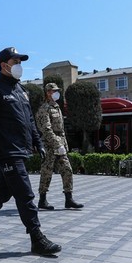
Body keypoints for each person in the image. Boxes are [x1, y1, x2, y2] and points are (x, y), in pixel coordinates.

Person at [0, 47, 62, 256]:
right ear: (4, 66)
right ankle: (37, 238)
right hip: (7, 152)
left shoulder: (21, 91)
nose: (19, 66)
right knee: (25, 193)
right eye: (16, 62)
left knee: (3, 192)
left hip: (21, 150)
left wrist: (38, 143)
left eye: (21, 62)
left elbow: (29, 121)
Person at [34, 83, 83, 211]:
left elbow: (61, 130)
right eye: (55, 91)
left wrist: (63, 145)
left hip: (60, 144)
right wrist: (57, 144)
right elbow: (46, 129)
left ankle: (69, 199)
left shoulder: (57, 107)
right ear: (48, 92)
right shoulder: (44, 108)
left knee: (67, 170)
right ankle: (42, 200)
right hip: (49, 145)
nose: (57, 93)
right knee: (47, 172)